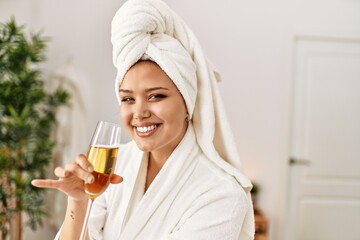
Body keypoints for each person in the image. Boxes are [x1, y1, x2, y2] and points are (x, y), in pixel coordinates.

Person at [32, 0, 255, 239]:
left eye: (156, 96)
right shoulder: (112, 166)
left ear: (188, 104)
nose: (139, 113)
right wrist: (78, 202)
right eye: (128, 99)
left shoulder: (221, 194)